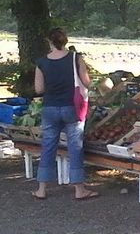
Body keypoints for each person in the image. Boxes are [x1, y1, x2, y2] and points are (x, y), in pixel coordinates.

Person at [31, 28, 99, 200]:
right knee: (75, 147)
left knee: (48, 146)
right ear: (66, 41)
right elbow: (86, 82)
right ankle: (79, 189)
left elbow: (39, 89)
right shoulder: (75, 58)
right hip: (72, 107)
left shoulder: (41, 62)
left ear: (49, 42)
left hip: (50, 108)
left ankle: (41, 189)